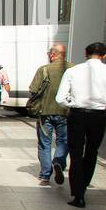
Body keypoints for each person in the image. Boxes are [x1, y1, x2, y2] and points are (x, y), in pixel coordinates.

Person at [56, 41, 106, 208]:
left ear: (85, 53)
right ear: (105, 55)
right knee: (92, 152)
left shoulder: (72, 71)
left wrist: (73, 104)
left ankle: (78, 194)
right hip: (98, 116)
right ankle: (84, 186)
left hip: (77, 115)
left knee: (76, 153)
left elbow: (60, 99)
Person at [28, 43, 70, 186]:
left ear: (52, 55)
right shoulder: (72, 69)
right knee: (63, 141)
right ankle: (58, 161)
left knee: (45, 143)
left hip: (44, 112)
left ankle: (45, 174)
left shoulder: (44, 69)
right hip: (65, 112)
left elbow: (33, 89)